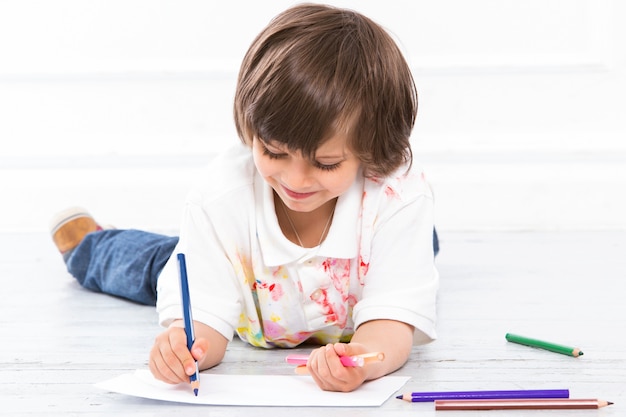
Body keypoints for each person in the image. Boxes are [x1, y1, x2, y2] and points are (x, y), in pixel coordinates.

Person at [49, 4, 439, 393]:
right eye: (274, 152)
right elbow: (204, 330)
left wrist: (363, 360)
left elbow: (391, 325)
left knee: (419, 243)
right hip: (240, 272)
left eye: (325, 163)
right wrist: (183, 349)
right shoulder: (220, 199)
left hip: (355, 260)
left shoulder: (397, 199)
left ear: (372, 150)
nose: (295, 179)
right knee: (158, 264)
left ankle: (421, 241)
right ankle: (91, 245)